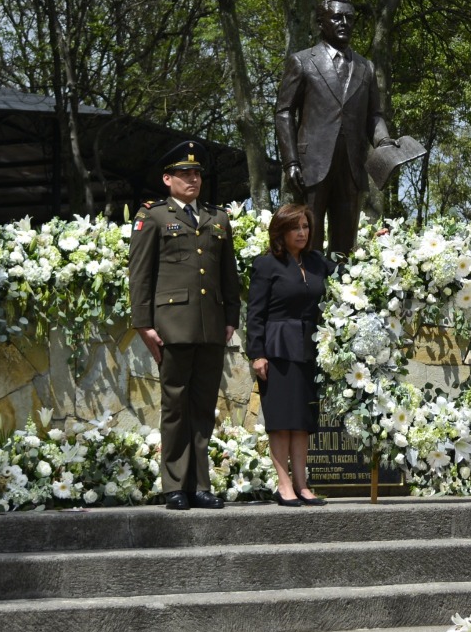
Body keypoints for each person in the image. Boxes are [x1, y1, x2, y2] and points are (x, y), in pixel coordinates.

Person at [127, 140, 241, 511]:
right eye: (184, 174)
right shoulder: (153, 216)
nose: (192, 179)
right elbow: (140, 274)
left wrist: (230, 319)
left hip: (210, 326)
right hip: (172, 325)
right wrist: (144, 323)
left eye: (196, 174)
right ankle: (175, 485)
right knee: (175, 406)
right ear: (167, 179)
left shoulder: (217, 217)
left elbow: (228, 274)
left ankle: (200, 485)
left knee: (204, 406)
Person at [274, 0, 396, 255]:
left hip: (352, 167)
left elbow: (374, 115)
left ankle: (341, 293)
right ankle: (310, 292)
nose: (344, 23)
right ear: (321, 22)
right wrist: (291, 162)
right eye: (337, 17)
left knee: (345, 247)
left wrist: (384, 142)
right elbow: (284, 112)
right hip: (311, 167)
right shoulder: (302, 61)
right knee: (307, 241)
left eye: (349, 18)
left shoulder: (367, 68)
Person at [247, 203, 332, 507]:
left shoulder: (317, 262)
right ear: (280, 232)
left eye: (306, 227)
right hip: (277, 349)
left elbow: (351, 277)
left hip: (309, 349)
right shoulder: (266, 264)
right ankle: (284, 485)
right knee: (281, 420)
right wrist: (257, 353)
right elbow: (255, 314)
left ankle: (302, 484)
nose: (302, 233)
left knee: (302, 420)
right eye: (295, 227)